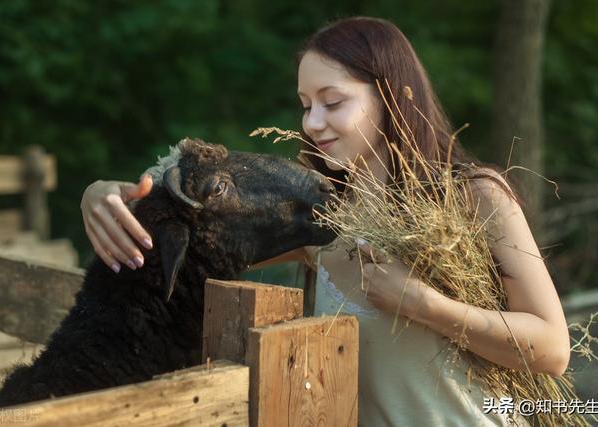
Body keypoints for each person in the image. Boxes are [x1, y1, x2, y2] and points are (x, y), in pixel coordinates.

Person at [81, 16, 570, 426]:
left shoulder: (472, 196)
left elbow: (552, 349)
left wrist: (423, 303)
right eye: (305, 106)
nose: (312, 123)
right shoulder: (323, 220)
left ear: (393, 97)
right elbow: (194, 227)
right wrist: (99, 195)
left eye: (332, 103)